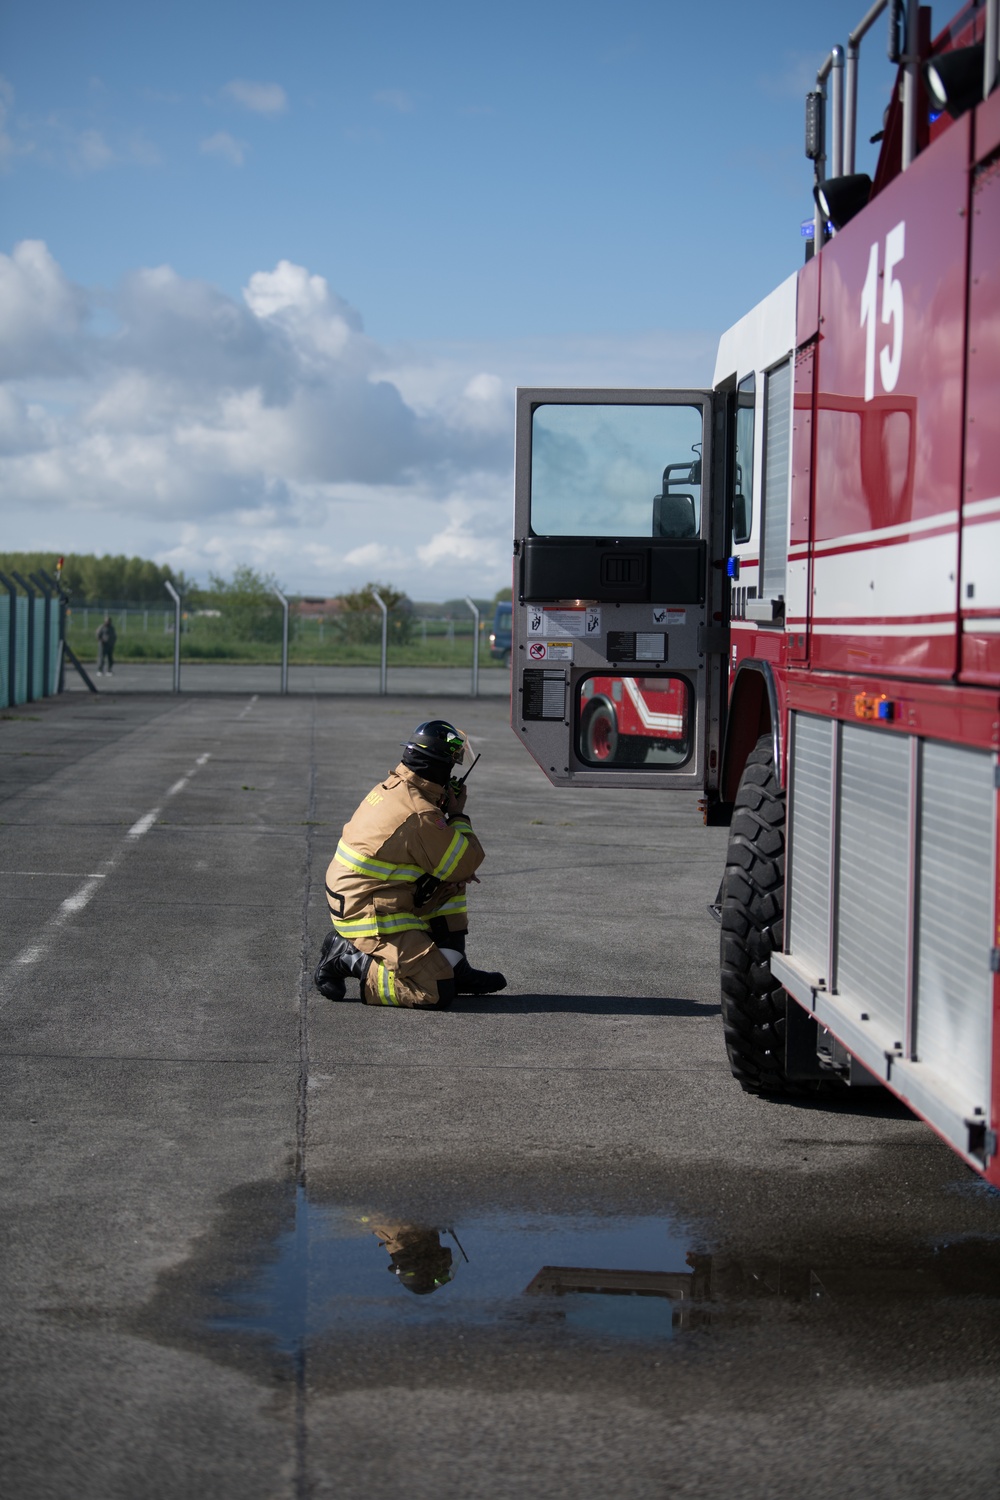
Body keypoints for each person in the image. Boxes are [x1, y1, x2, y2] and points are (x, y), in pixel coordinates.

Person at [315, 718, 507, 1009]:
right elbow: (467, 862)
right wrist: (457, 816)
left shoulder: (399, 786)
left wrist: (451, 867)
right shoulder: (420, 813)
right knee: (436, 990)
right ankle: (350, 957)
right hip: (366, 910)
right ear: (440, 768)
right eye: (451, 767)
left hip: (366, 893)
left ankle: (455, 965)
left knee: (449, 880)